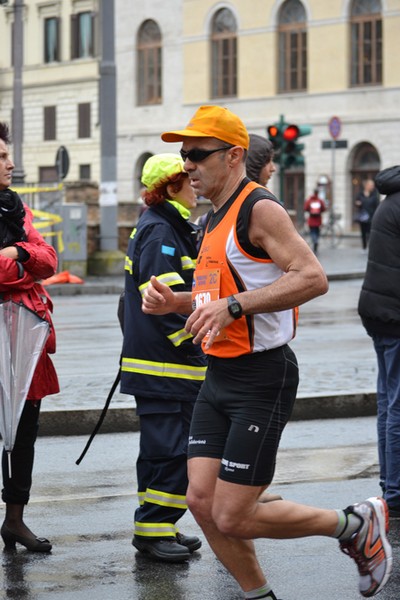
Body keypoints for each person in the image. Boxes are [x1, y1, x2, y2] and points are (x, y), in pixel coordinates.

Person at [142, 105, 393, 599]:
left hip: (262, 377)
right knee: (200, 500)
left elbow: (312, 277)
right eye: (182, 155)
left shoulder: (259, 208)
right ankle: (260, 595)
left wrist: (233, 307)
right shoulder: (212, 217)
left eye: (196, 154)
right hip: (218, 376)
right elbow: (222, 291)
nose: (186, 165)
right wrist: (176, 301)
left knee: (233, 514)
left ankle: (354, 524)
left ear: (233, 156)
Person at [120, 153, 206, 562]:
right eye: (188, 180)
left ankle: (159, 526)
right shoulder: (161, 233)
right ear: (172, 186)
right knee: (172, 451)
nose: (196, 186)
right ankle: (153, 531)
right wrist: (195, 343)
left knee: (160, 451)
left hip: (160, 366)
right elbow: (169, 303)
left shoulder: (164, 227)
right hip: (166, 368)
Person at [0, 122, 59, 552]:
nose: (11, 162)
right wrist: (24, 270)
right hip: (11, 333)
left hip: (24, 341)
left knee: (23, 437)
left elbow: (49, 258)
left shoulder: (15, 208)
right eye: (2, 157)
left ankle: (14, 520)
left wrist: (19, 252)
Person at [358, 165, 400, 521]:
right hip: (395, 314)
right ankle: (397, 492)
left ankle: (391, 486)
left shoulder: (391, 197)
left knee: (389, 401)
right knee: (397, 404)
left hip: (379, 311)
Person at [355, 178, 380, 251]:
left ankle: (370, 247)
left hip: (371, 216)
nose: (372, 186)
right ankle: (364, 247)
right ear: (366, 185)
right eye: (371, 185)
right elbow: (356, 202)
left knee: (370, 233)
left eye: (373, 185)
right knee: (363, 232)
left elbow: (377, 205)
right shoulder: (360, 194)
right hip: (363, 217)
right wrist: (357, 204)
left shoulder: (375, 194)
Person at [304, 188, 326, 253]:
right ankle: (316, 241)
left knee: (312, 232)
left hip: (311, 219)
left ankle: (314, 240)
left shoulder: (309, 200)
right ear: (318, 193)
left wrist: (310, 211)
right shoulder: (320, 200)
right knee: (317, 232)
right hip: (318, 219)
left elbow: (305, 208)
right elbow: (323, 208)